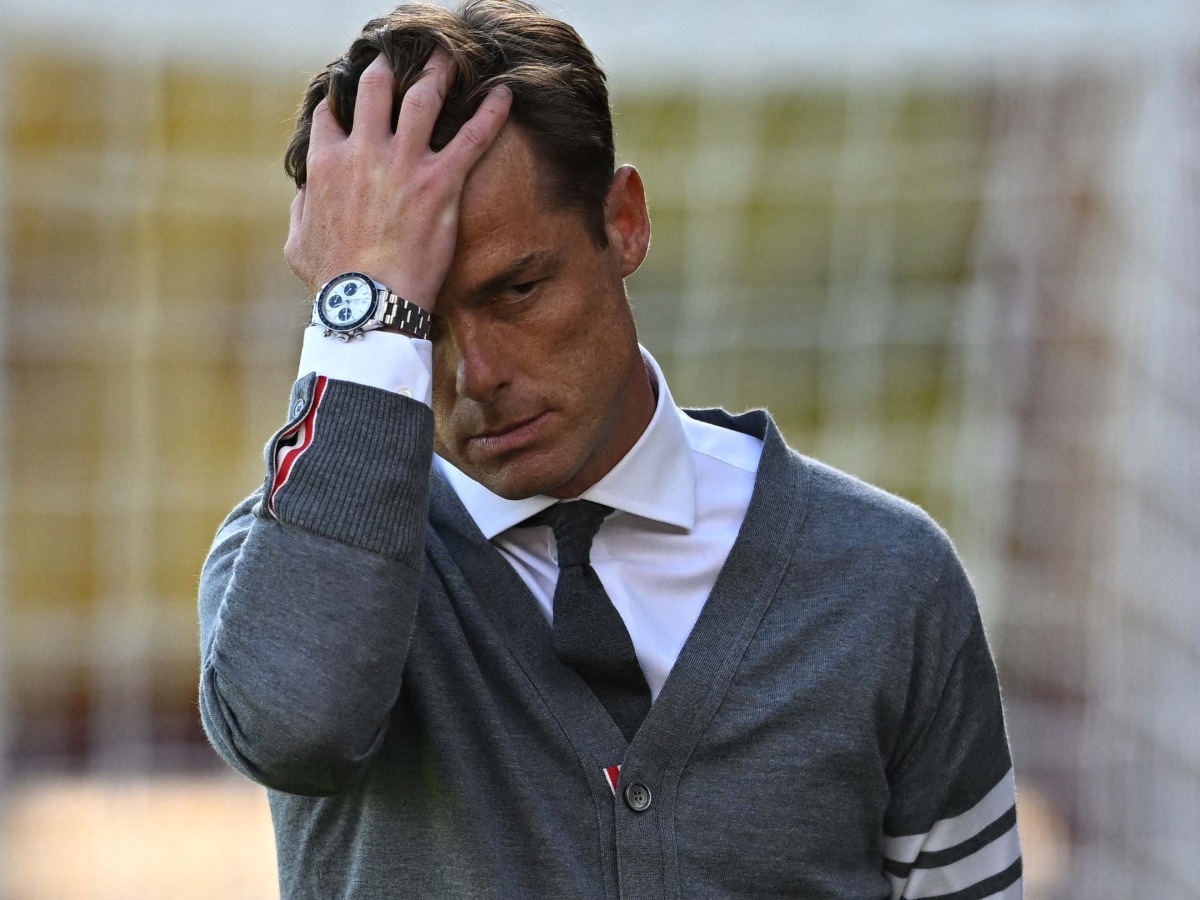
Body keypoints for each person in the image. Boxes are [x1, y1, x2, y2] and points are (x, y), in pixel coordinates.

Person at [198, 1, 1024, 897]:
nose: (475, 374)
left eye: (518, 289)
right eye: (420, 325)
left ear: (624, 221)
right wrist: (363, 306)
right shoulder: (283, 567)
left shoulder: (883, 579)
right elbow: (299, 729)